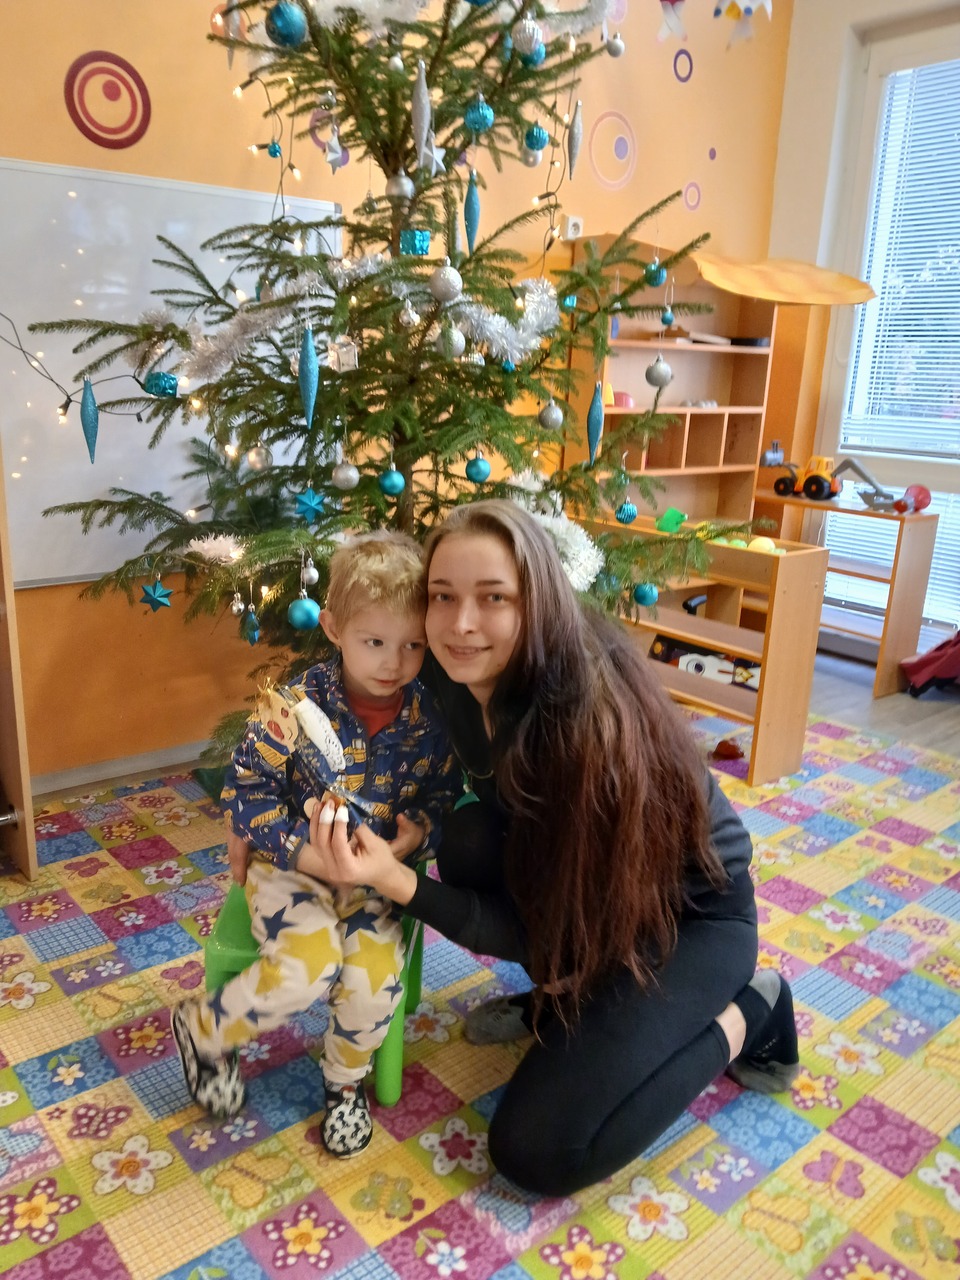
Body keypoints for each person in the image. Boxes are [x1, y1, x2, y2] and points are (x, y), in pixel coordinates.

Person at [299, 499, 800, 1194]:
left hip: (689, 920)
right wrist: (249, 811)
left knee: (537, 1150)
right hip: (587, 890)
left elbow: (546, 932)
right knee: (468, 839)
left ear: (536, 601)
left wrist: (397, 881)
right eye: (442, 596)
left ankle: (753, 1009)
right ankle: (566, 998)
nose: (460, 622)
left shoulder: (584, 727)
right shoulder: (448, 669)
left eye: (493, 598)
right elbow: (330, 705)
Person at [172, 531, 459, 1158]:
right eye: (374, 641)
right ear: (333, 628)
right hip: (291, 868)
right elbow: (245, 794)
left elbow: (442, 794)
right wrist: (307, 855)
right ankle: (203, 1028)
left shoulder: (430, 719)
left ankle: (344, 1083)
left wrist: (418, 832)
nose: (393, 662)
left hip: (375, 875)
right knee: (306, 969)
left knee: (373, 982)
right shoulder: (293, 708)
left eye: (412, 645)